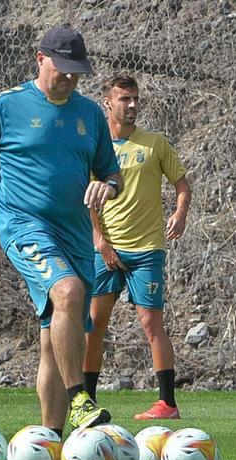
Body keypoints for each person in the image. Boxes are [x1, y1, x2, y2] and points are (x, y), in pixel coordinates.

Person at [0, 26, 122, 435]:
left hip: (75, 238)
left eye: (76, 72)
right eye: (62, 69)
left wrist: (109, 185)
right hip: (24, 227)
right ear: (40, 59)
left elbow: (113, 174)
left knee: (53, 340)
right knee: (67, 291)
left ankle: (52, 441)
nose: (69, 78)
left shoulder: (89, 115)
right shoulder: (6, 107)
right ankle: (82, 399)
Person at [82, 74, 191, 420]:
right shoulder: (95, 150)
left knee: (150, 322)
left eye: (135, 99)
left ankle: (167, 403)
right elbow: (87, 202)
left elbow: (182, 186)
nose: (131, 105)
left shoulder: (154, 144)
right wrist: (100, 241)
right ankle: (85, 401)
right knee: (94, 324)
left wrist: (180, 213)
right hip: (107, 252)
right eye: (124, 99)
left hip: (146, 250)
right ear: (108, 104)